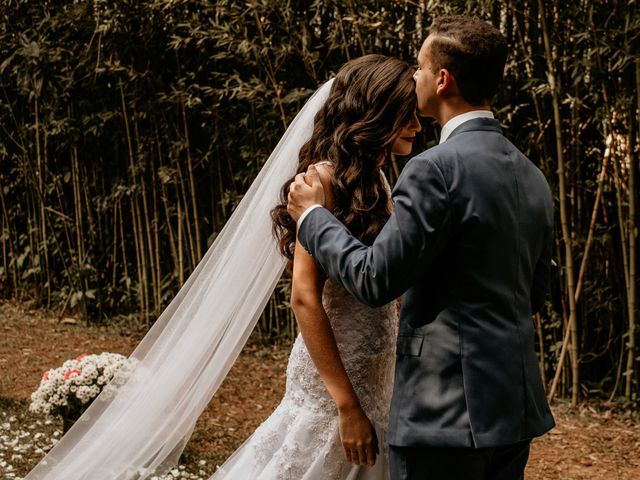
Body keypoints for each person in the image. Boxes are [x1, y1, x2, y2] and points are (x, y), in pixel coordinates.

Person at [288, 15, 555, 480]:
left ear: (442, 79)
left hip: (443, 416)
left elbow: (375, 279)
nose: (414, 78)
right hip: (515, 410)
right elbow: (534, 295)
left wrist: (313, 218)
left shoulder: (435, 169)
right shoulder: (531, 176)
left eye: (419, 67)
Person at [210, 54, 421, 479]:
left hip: (376, 372)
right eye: (407, 113)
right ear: (377, 112)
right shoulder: (320, 182)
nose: (418, 123)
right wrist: (346, 404)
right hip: (335, 379)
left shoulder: (379, 180)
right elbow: (305, 298)